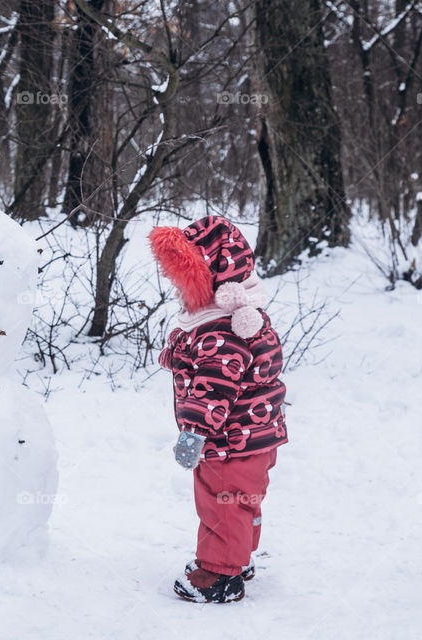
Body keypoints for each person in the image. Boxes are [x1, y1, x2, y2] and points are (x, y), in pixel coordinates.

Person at [150, 216, 288, 604]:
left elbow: (215, 386)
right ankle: (238, 558)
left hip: (230, 440)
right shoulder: (232, 319)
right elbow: (211, 361)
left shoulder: (221, 331)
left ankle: (220, 575)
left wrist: (194, 431)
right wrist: (177, 356)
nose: (176, 286)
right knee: (243, 500)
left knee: (222, 502)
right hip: (254, 438)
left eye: (182, 278)